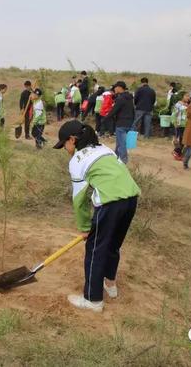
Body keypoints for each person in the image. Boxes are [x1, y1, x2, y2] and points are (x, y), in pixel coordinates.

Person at [53, 120, 140, 312]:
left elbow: (79, 198)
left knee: (94, 249)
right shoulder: (104, 149)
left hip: (110, 203)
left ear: (72, 140)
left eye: (64, 144)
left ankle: (92, 300)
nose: (65, 149)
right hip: (131, 198)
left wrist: (85, 228)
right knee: (112, 245)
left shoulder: (77, 161)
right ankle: (110, 285)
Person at [105, 81, 135, 164]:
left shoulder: (120, 98)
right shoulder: (129, 97)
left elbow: (114, 110)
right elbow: (133, 110)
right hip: (129, 122)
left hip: (121, 123)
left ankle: (123, 161)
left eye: (115, 87)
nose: (114, 89)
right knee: (119, 142)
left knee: (122, 144)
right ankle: (116, 157)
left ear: (119, 87)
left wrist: (105, 119)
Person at [171, 92, 188, 160]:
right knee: (180, 140)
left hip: (185, 125)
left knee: (183, 140)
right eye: (186, 96)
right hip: (179, 125)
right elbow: (174, 114)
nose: (188, 97)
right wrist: (174, 122)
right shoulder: (178, 105)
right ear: (182, 97)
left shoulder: (186, 105)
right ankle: (176, 152)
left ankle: (179, 154)